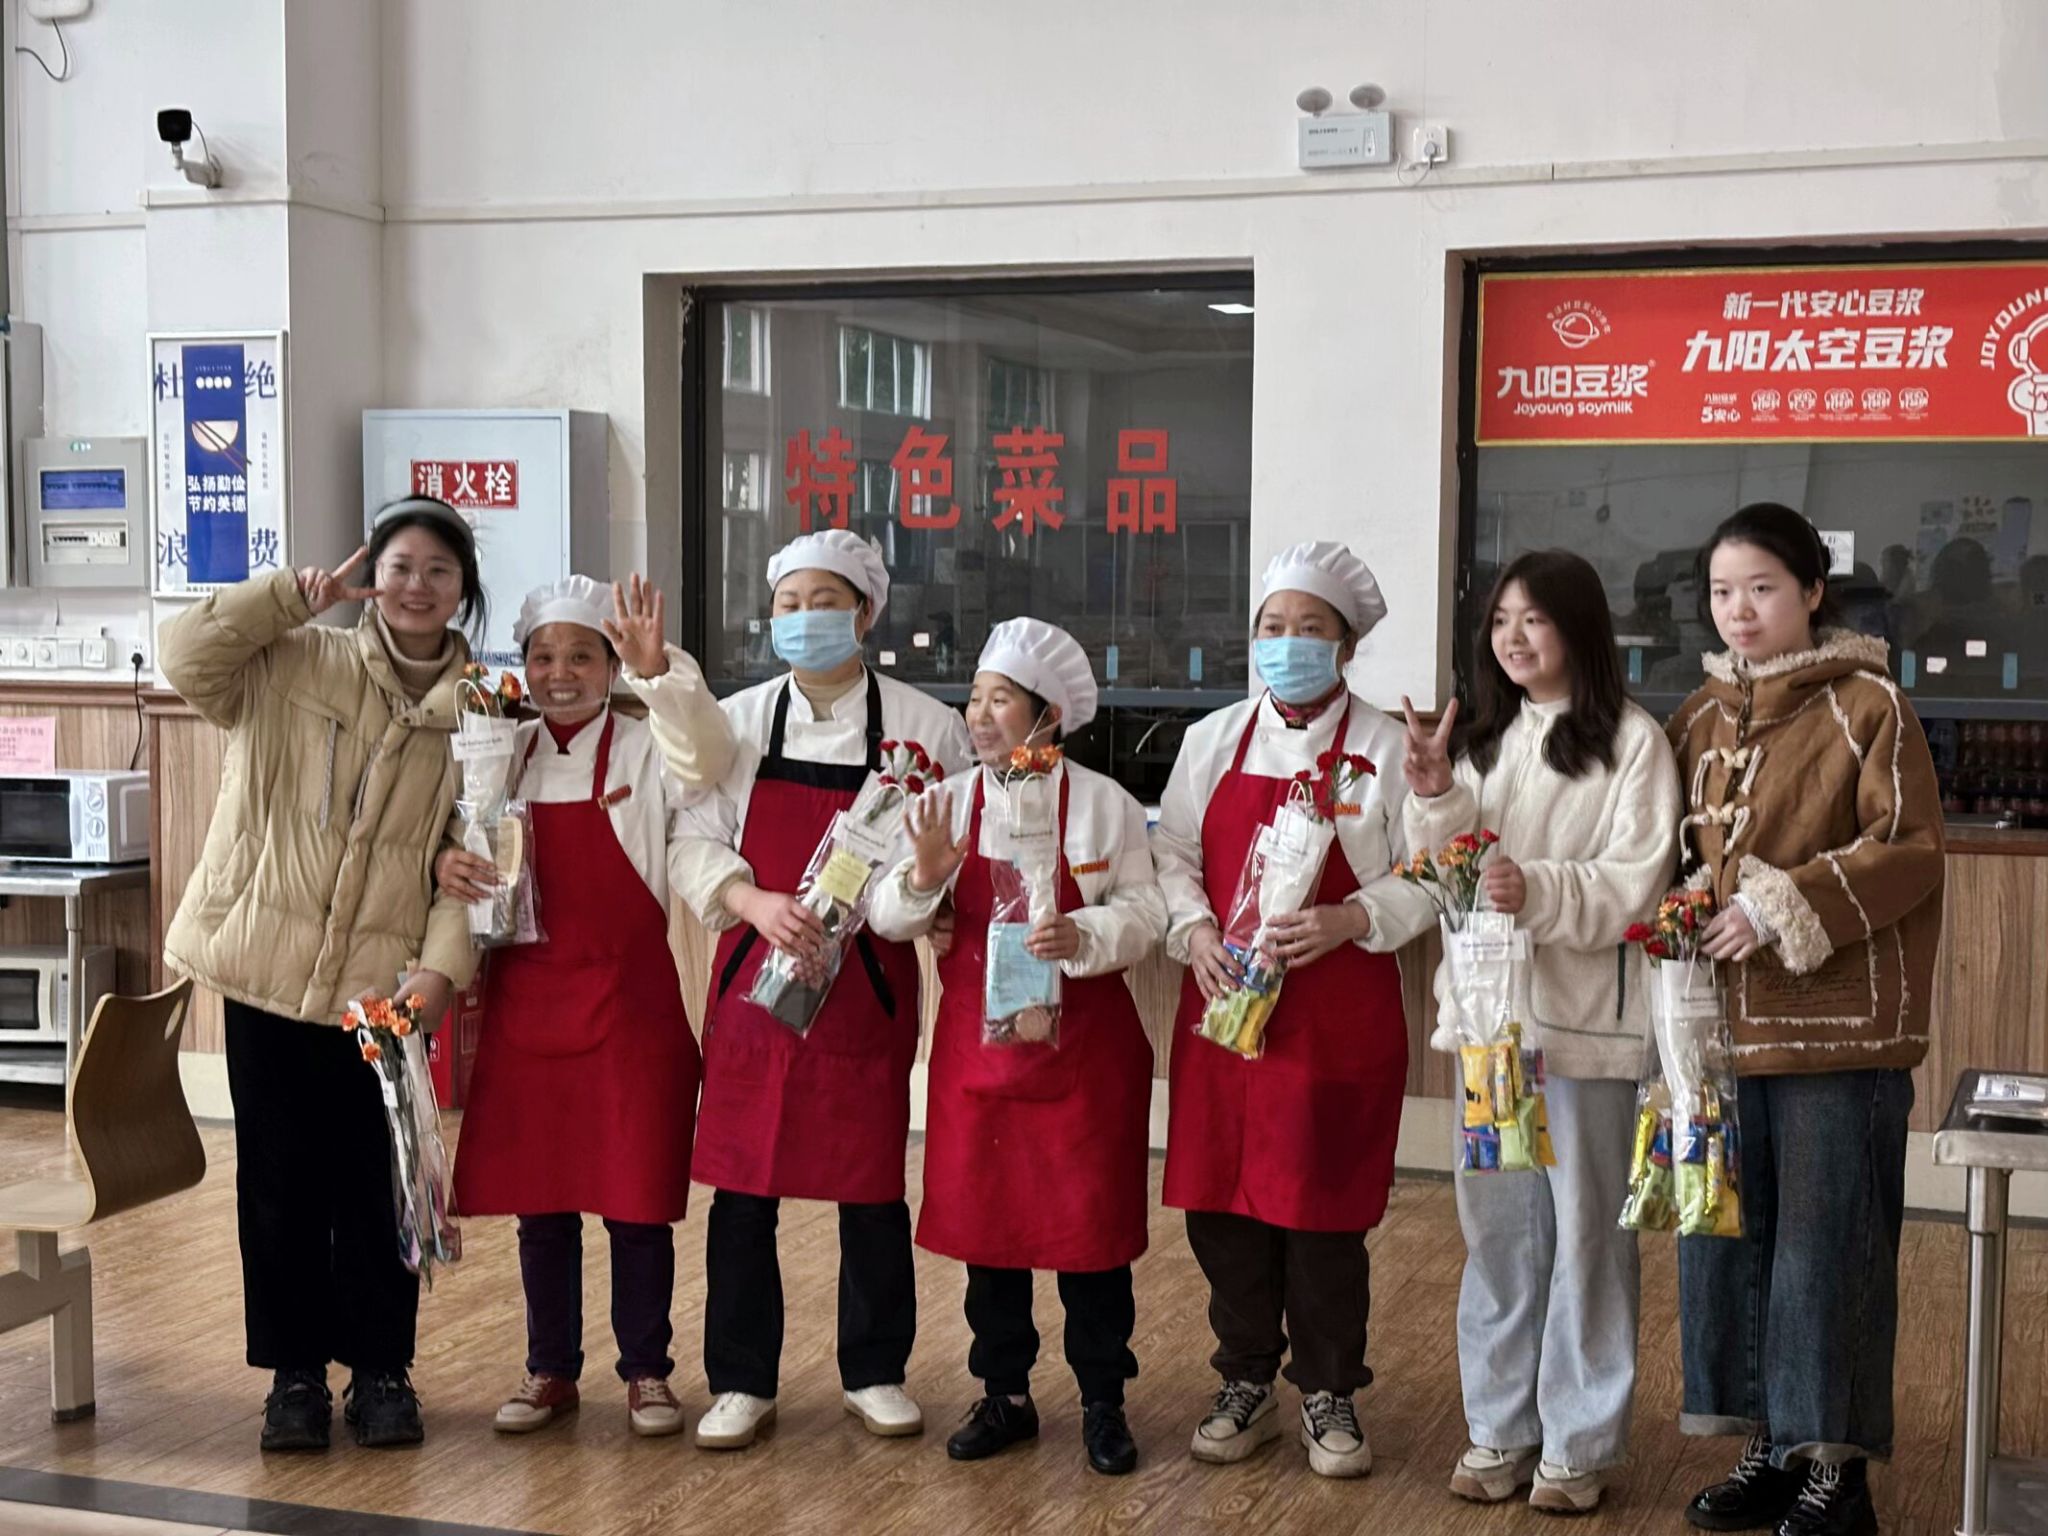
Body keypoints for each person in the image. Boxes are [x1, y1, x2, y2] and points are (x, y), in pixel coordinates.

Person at [160, 496, 485, 1452]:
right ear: (369, 575)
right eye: (399, 566)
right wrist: (284, 598)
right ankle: (294, 1375)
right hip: (265, 965)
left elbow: (475, 856)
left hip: (380, 988)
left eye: (438, 570)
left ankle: (382, 1371)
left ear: (463, 589)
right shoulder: (295, 659)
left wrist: (441, 969)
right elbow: (186, 658)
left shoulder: (479, 713)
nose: (416, 585)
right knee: (276, 1187)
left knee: (380, 1184)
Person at [1669, 503, 1944, 1536]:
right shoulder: (1695, 718)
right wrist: (1677, 902)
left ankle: (1835, 1473)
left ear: (1812, 592)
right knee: (1732, 1246)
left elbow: (1910, 848)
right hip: (1718, 1030)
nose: (1738, 611)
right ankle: (1767, 1448)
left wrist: (1778, 903)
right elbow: (1669, 845)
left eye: (1761, 588)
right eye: (1720, 592)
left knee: (1828, 1252)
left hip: (1837, 1032)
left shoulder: (1869, 704)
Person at [666, 529, 972, 1450]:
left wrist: (903, 904)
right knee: (742, 1189)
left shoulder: (928, 727)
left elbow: (947, 857)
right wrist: (753, 902)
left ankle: (875, 1371)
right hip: (755, 985)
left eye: (826, 603)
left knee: (870, 1185)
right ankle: (740, 1380)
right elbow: (691, 841)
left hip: (865, 991)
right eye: (789, 605)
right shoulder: (735, 721)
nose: (805, 620)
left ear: (866, 614)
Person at [1401, 549, 1680, 1516]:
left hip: (1583, 1032)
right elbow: (1441, 874)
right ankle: (1501, 1428)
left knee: (1586, 1239)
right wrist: (1434, 793)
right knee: (1499, 1236)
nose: (1513, 638)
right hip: (1491, 1034)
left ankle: (1580, 1442)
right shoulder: (1483, 742)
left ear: (1578, 627)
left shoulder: (1632, 743)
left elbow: (1637, 883)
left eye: (1534, 619)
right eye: (1500, 621)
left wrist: (1540, 888)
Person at [1152, 539, 1436, 1479]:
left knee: (1322, 1212)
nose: (1288, 643)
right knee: (1222, 1209)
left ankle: (1327, 1389)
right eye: (1273, 627)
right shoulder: (1213, 740)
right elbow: (1173, 855)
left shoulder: (1387, 747)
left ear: (1346, 647)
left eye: (1310, 628)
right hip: (1226, 1009)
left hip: (1336, 1012)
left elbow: (1431, 872)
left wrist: (1354, 916)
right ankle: (1244, 1380)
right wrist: (1194, 929)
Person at [869, 618, 1165, 1476]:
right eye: (974, 699)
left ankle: (1104, 1400)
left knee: (1093, 1242)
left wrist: (1085, 933)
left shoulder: (1105, 803)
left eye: (1001, 699)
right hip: (980, 1065)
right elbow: (886, 915)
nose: (980, 715)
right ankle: (1005, 1394)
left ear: (1050, 714)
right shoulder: (945, 803)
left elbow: (1146, 914)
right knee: (989, 1239)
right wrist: (924, 878)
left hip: (1088, 1065)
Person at [441, 575, 734, 1440]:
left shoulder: (647, 750)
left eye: (581, 656)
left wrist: (659, 672)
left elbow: (705, 764)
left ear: (610, 667)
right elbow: (462, 852)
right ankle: (550, 1369)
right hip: (527, 1006)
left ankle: (647, 1371)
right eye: (542, 657)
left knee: (637, 1202)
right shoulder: (498, 752)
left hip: (629, 1008)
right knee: (542, 1205)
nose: (559, 673)